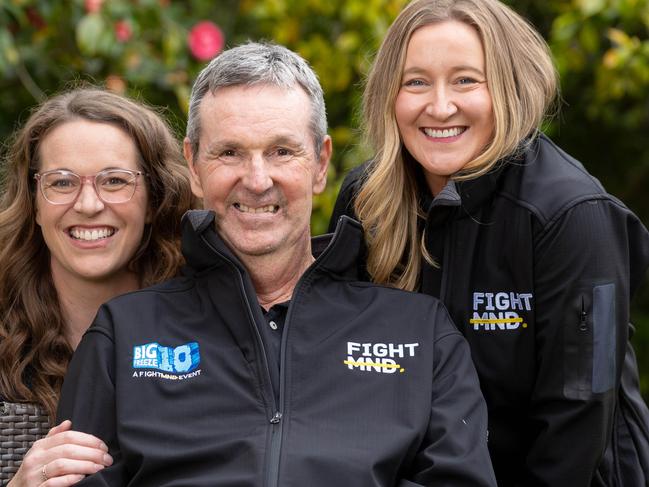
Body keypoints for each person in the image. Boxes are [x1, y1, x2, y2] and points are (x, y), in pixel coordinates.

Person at [56, 42, 497, 486]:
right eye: (229, 153)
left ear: (321, 163)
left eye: (282, 152)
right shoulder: (123, 334)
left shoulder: (419, 333)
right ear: (193, 165)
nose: (257, 180)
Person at [328, 0, 649, 485]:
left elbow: (582, 411)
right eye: (415, 81)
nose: (439, 106)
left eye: (465, 80)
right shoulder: (365, 201)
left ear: (508, 87)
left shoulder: (573, 216)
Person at [0, 87, 193, 486]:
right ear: (34, 200)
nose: (88, 204)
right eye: (62, 183)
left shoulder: (206, 321)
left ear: (155, 198)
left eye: (115, 181)